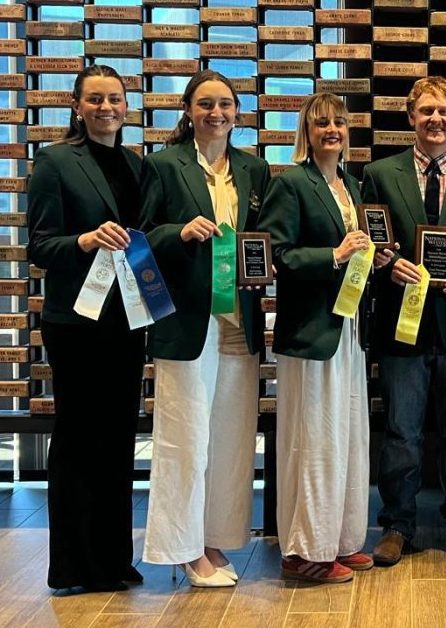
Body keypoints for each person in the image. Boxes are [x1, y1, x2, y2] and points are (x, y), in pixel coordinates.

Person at [138, 69, 271, 587]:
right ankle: (183, 548)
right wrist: (179, 231)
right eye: (205, 105)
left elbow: (262, 239)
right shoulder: (164, 165)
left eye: (225, 105)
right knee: (185, 437)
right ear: (188, 112)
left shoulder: (253, 170)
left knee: (231, 439)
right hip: (189, 321)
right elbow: (141, 236)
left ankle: (214, 540)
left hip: (240, 319)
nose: (216, 113)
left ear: (237, 112)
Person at [361, 76, 446, 566]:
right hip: (402, 322)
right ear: (410, 116)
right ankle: (397, 524)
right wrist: (384, 261)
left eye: (444, 112)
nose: (435, 120)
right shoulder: (379, 173)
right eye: (426, 112)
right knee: (402, 430)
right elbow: (371, 234)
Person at [258, 93, 386, 584]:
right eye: (321, 123)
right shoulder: (292, 183)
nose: (332, 130)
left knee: (347, 435)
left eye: (339, 122)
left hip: (350, 325)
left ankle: (339, 538)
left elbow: (356, 249)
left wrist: (370, 258)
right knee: (314, 440)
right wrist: (334, 254)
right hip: (311, 332)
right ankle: (305, 551)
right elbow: (280, 257)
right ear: (306, 132)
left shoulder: (350, 185)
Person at [27, 65, 145, 592]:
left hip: (127, 318)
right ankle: (73, 566)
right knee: (78, 438)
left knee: (119, 439)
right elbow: (39, 246)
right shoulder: (54, 161)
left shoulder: (138, 165)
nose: (106, 108)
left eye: (114, 99)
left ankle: (115, 561)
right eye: (95, 99)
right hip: (76, 322)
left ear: (127, 105)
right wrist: (86, 240)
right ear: (77, 105)